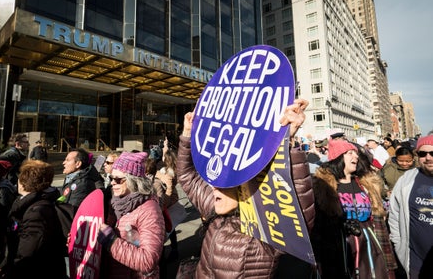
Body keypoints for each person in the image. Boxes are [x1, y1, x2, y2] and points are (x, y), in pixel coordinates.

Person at [176, 99, 315, 278]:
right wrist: (187, 134)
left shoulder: (264, 230)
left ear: (242, 186)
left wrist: (285, 138)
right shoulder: (215, 208)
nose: (214, 188)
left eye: (224, 185)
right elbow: (187, 176)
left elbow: (299, 215)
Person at [311, 138, 394, 278]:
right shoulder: (324, 188)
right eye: (349, 153)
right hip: (339, 250)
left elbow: (380, 225)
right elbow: (318, 227)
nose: (356, 156)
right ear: (338, 158)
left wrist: (390, 266)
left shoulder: (367, 185)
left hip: (370, 250)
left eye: (356, 153)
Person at [97, 151, 165, 278]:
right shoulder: (115, 203)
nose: (112, 183)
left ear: (133, 180)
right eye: (112, 178)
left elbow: (148, 261)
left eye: (118, 179)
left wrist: (112, 242)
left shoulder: (149, 210)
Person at [0, 160, 66, 279]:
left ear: (24, 181)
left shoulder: (37, 210)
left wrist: (9, 271)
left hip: (35, 272)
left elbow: (28, 251)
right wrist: (4, 265)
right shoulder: (32, 203)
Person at [389, 135, 433, 278]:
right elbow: (394, 213)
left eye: (432, 153)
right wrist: (398, 242)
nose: (428, 158)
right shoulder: (407, 179)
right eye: (422, 154)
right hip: (415, 261)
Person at [154, 139, 180, 261]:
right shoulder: (172, 169)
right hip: (171, 199)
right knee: (171, 226)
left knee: (168, 226)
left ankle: (171, 251)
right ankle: (174, 249)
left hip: (168, 201)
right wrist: (165, 146)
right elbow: (165, 156)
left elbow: (168, 189)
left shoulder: (167, 173)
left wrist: (165, 203)